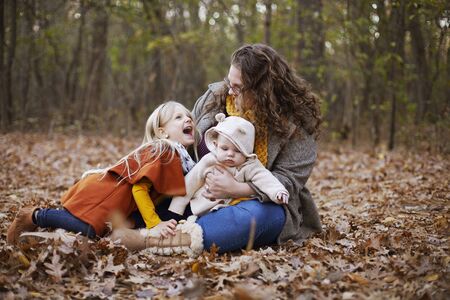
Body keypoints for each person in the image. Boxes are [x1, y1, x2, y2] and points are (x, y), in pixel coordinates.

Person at [112, 43, 322, 255]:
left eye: (238, 87)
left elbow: (289, 182)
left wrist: (236, 188)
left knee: (257, 217)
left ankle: (152, 241)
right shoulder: (217, 97)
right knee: (141, 195)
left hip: (251, 203)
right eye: (229, 82)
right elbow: (187, 139)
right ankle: (149, 227)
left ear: (263, 90)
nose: (231, 91)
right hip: (193, 194)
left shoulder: (297, 124)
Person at [7, 101, 203, 255]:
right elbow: (139, 189)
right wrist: (154, 223)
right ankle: (34, 215)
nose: (188, 120)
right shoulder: (165, 151)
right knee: (90, 228)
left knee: (90, 232)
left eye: (189, 116)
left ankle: (52, 234)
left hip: (119, 201)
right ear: (162, 132)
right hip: (107, 194)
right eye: (178, 117)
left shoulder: (180, 158)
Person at [169, 112, 289, 217]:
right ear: (216, 145)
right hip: (199, 207)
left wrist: (278, 192)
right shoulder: (210, 160)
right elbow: (189, 184)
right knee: (177, 218)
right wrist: (175, 211)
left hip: (230, 209)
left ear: (247, 152)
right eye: (225, 149)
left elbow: (265, 179)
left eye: (237, 151)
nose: (230, 154)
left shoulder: (250, 165)